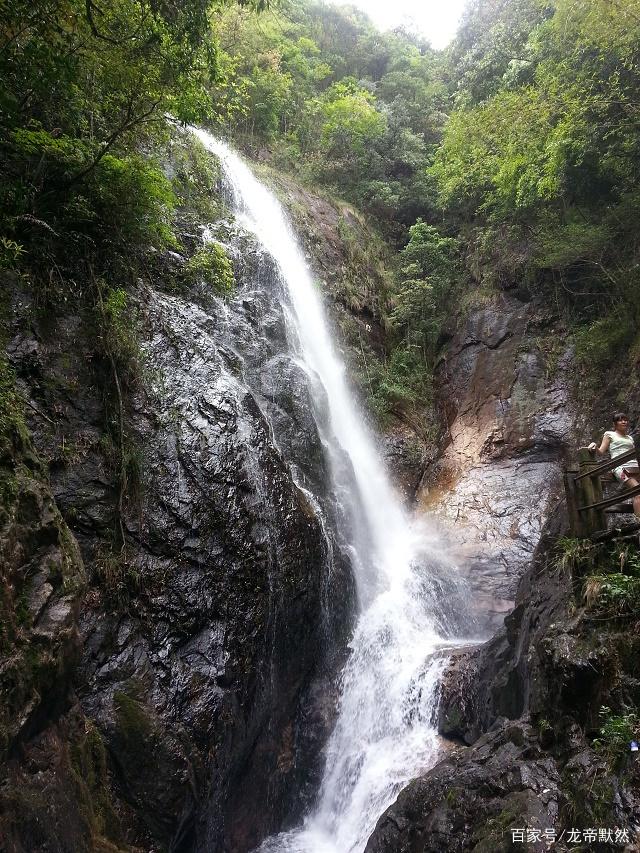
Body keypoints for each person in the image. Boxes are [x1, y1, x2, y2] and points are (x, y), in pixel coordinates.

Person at [589, 412, 640, 518]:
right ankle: (638, 521)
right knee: (638, 492)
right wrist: (594, 445)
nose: (624, 421)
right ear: (615, 423)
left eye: (625, 419)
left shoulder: (630, 438)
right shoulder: (609, 434)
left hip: (635, 468)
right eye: (620, 420)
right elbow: (601, 451)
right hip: (621, 468)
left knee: (636, 493)